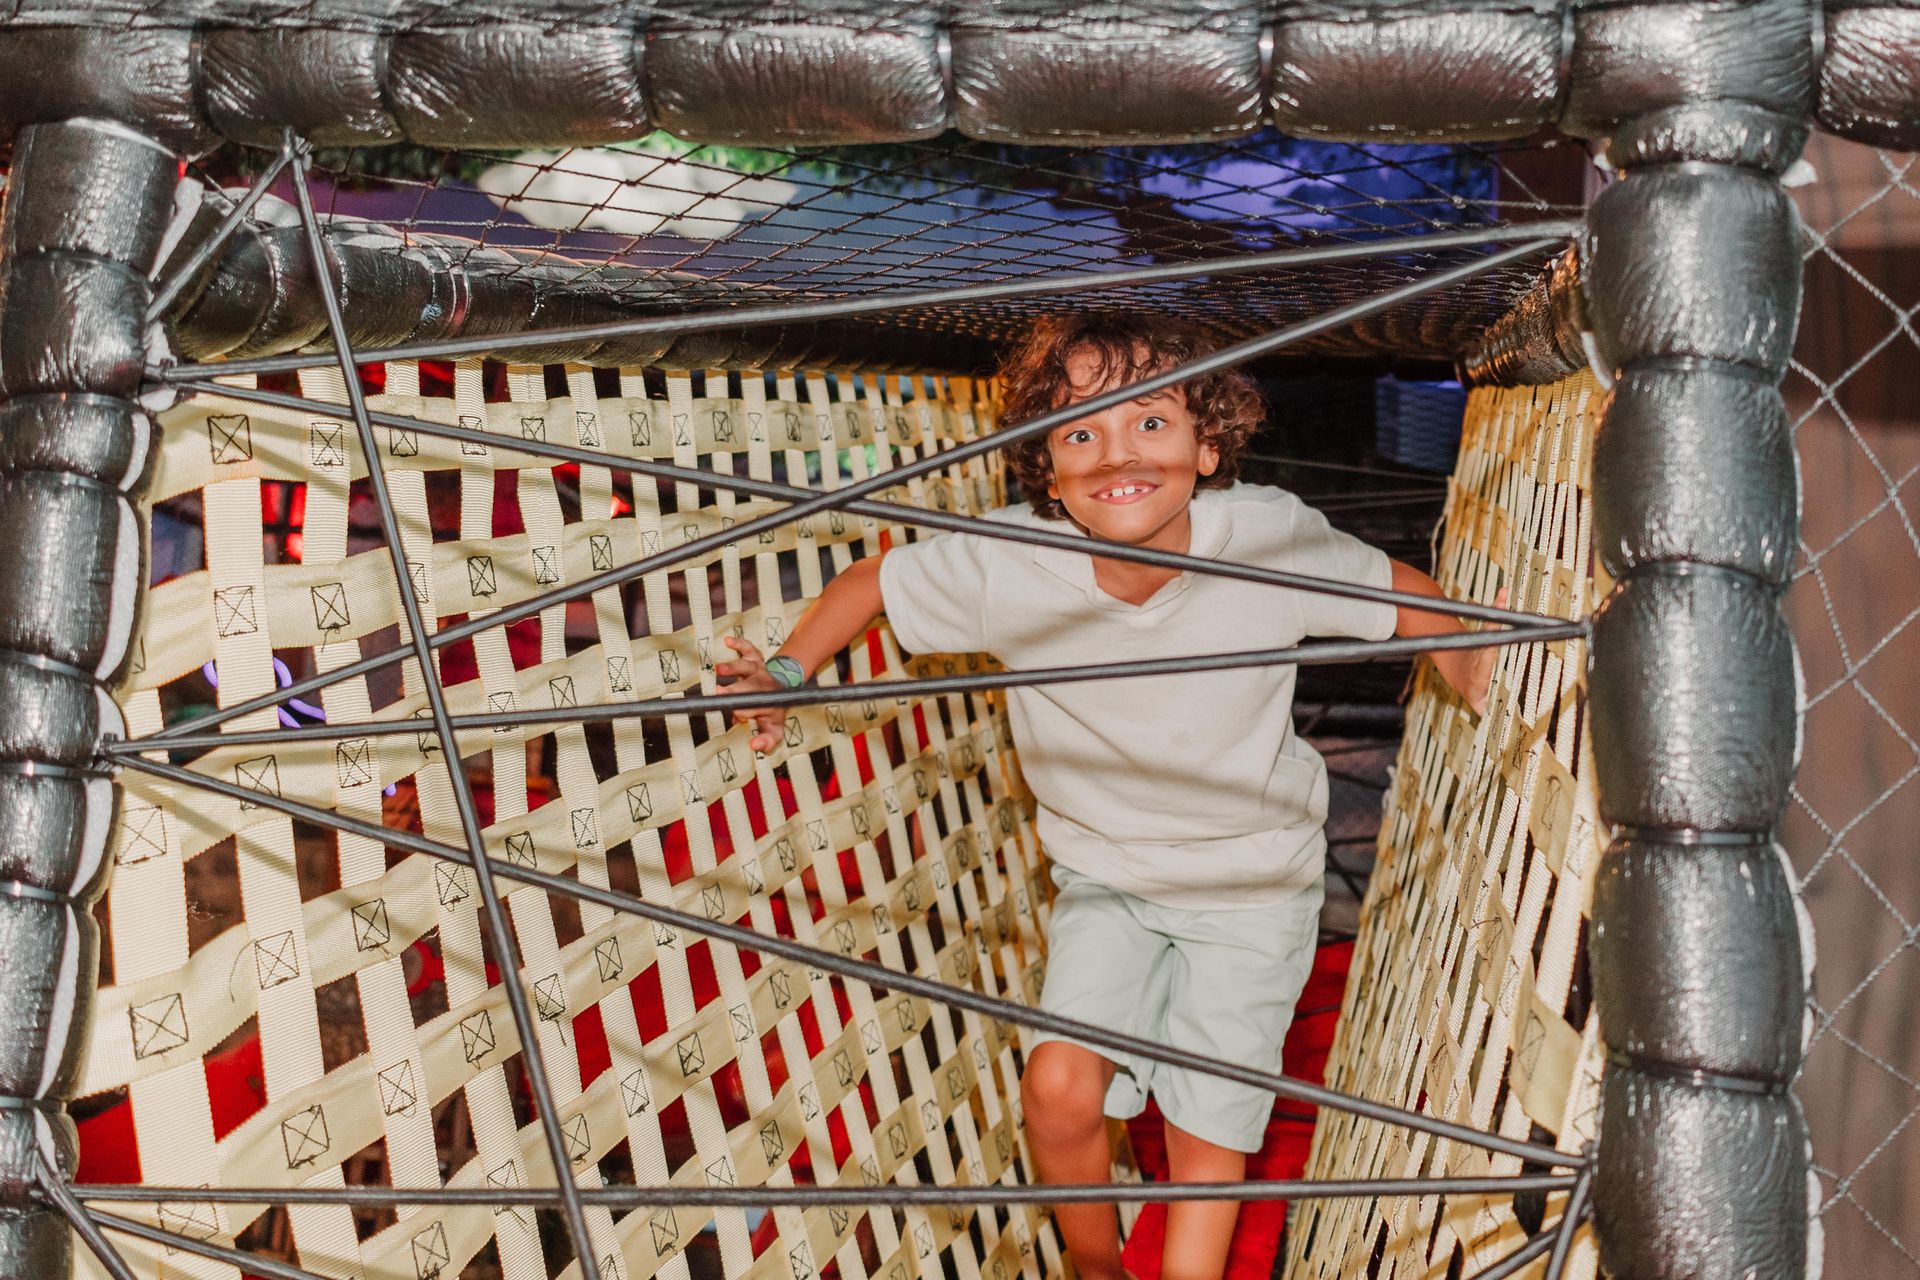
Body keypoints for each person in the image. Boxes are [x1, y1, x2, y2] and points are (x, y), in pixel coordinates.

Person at [717, 315, 1499, 1280]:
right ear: (1045, 467)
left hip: (1252, 888)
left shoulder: (1261, 536)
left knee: (1207, 1126)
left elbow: (1400, 593)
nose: (1114, 456)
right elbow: (876, 580)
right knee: (1056, 1089)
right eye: (1079, 433)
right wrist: (790, 676)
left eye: (1150, 425)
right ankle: (1096, 1268)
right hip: (1105, 880)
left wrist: (1485, 672)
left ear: (1208, 445)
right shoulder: (1010, 561)